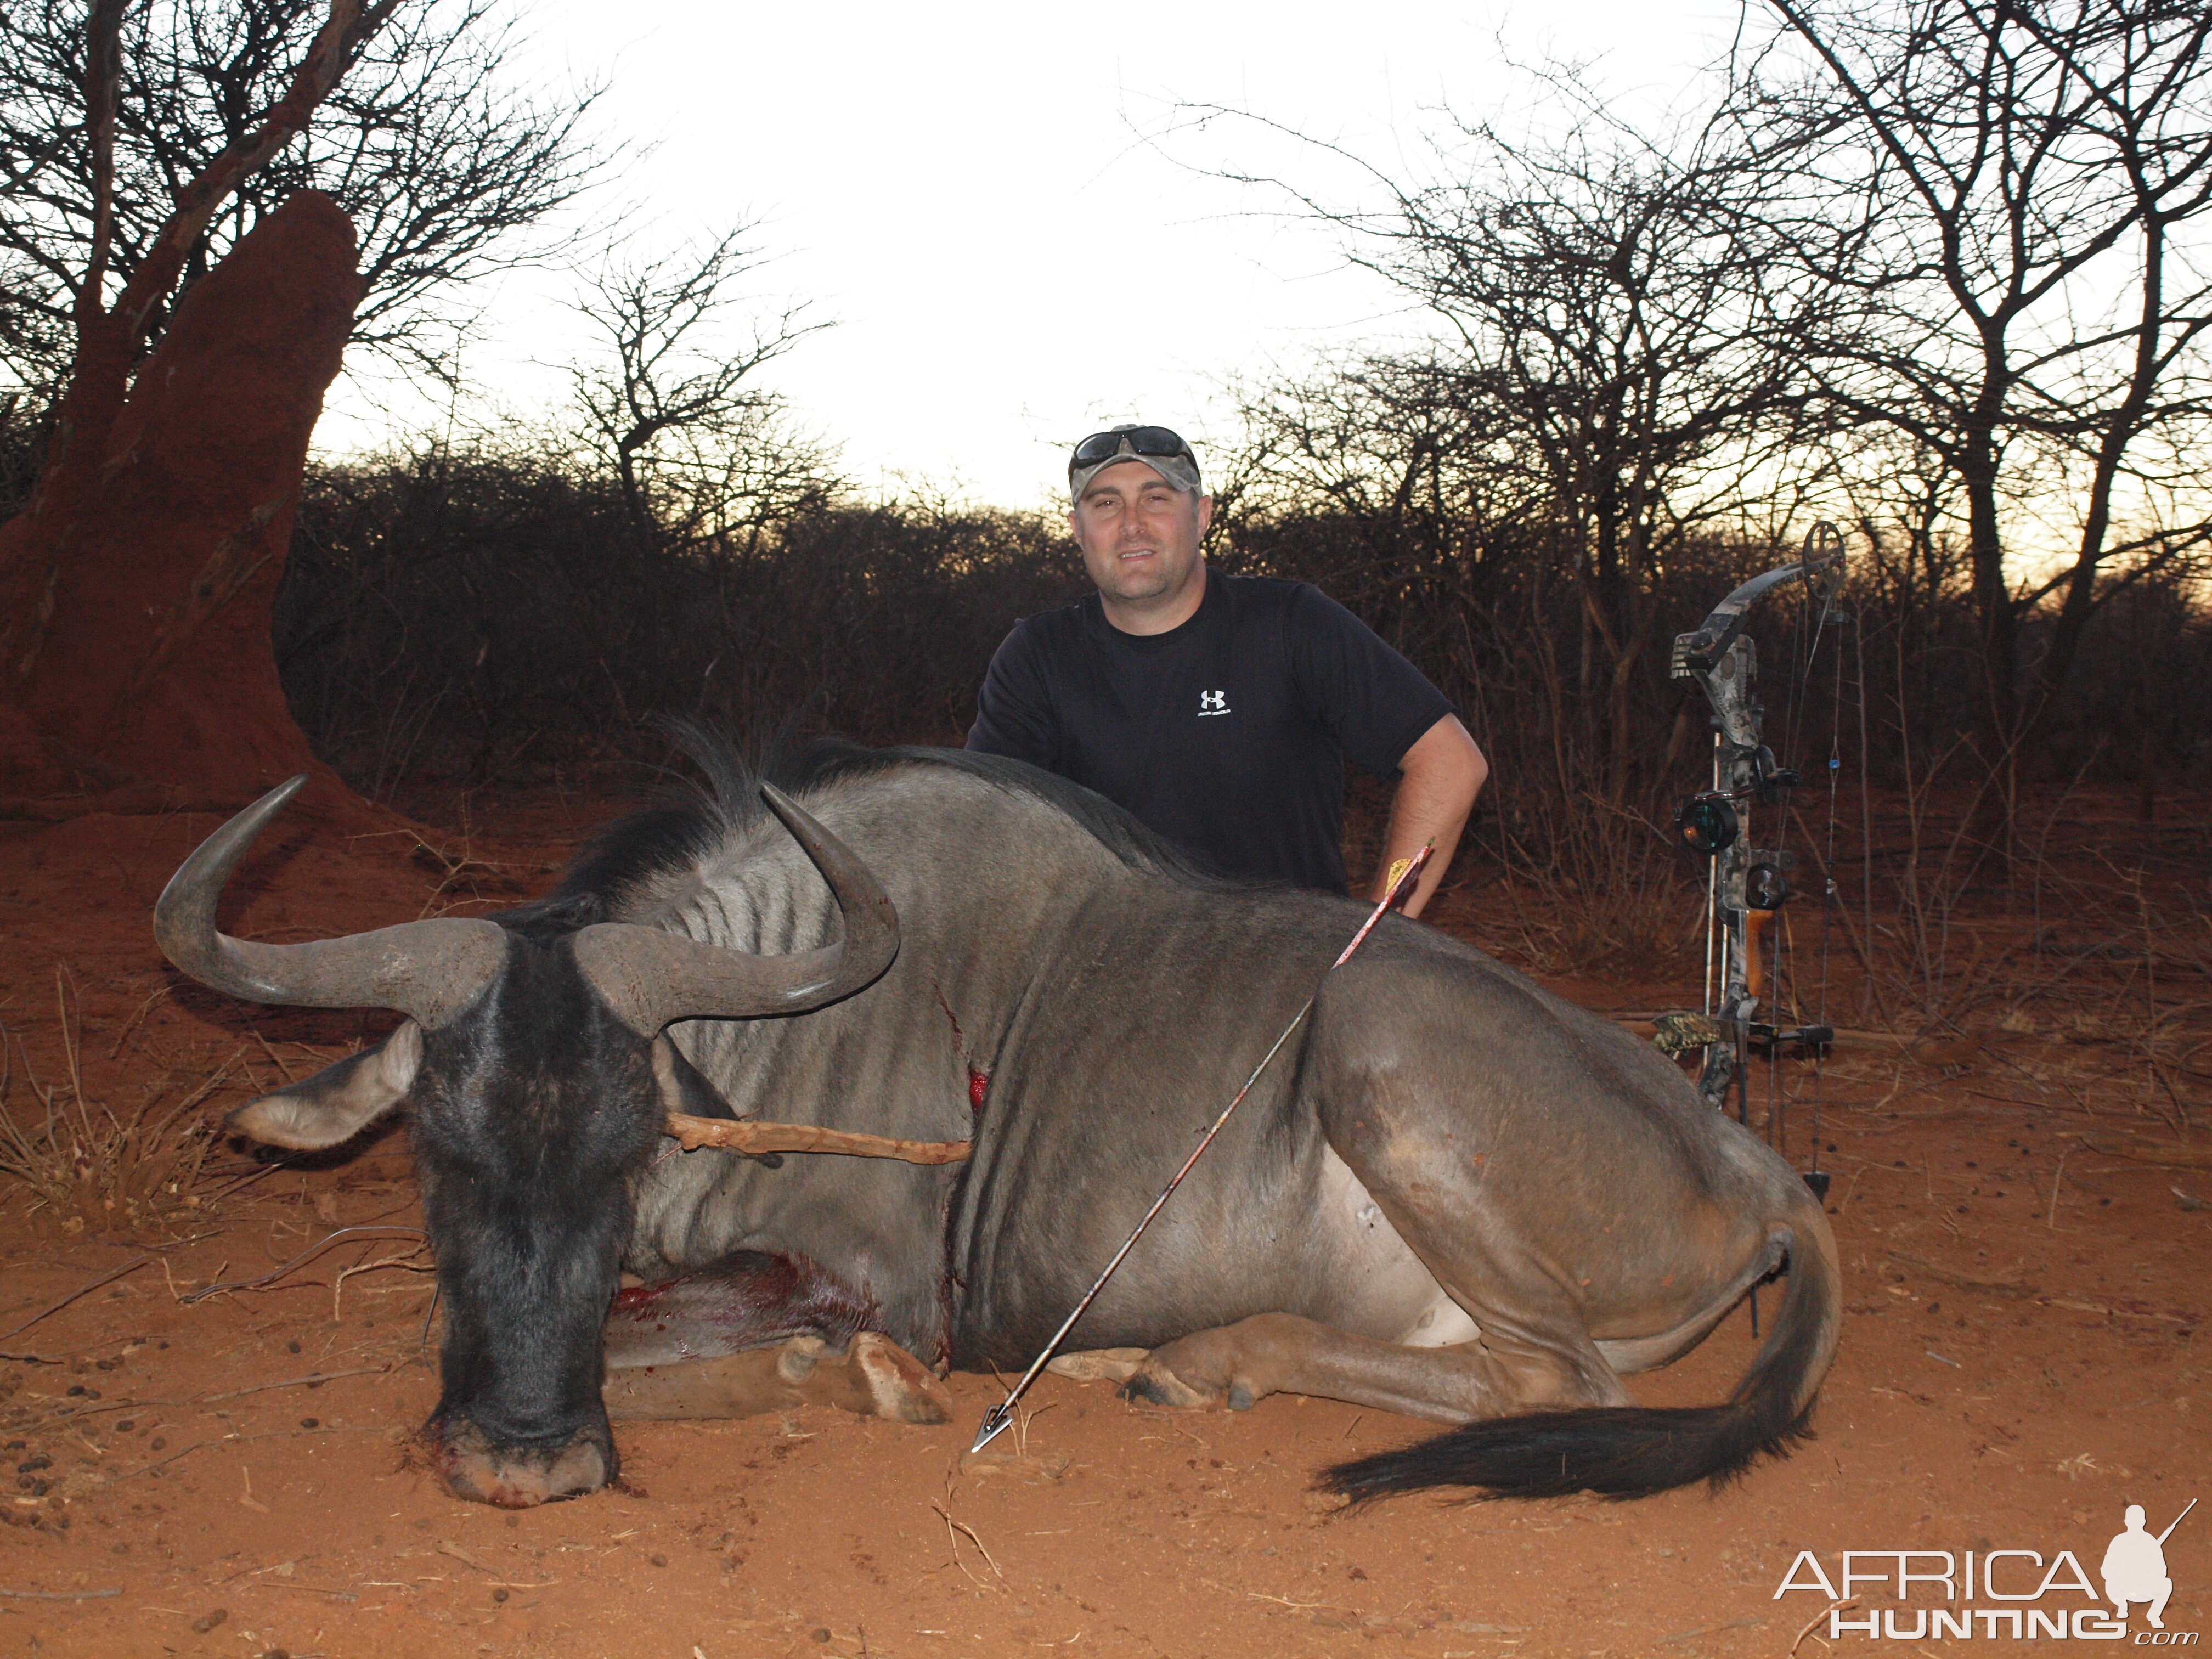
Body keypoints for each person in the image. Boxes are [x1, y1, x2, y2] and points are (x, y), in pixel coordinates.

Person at [966, 423, 1486, 917]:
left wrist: (1378, 933)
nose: (1131, 525)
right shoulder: (1036, 655)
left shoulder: (1290, 622)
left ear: (1203, 515)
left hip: (1282, 974)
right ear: (1078, 530)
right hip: (1110, 981)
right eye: (1105, 504)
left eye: (1157, 498)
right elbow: (983, 823)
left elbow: (1449, 762)